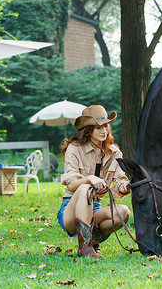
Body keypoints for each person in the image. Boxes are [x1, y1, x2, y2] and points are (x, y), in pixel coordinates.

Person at [57, 105, 131, 258]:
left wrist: (124, 186)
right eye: (98, 128)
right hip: (70, 209)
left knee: (124, 212)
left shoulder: (114, 152)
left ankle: (92, 242)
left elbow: (119, 178)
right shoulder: (75, 148)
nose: (104, 131)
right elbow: (71, 183)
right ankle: (84, 248)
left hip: (95, 208)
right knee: (85, 188)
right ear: (89, 129)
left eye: (106, 126)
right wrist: (89, 178)